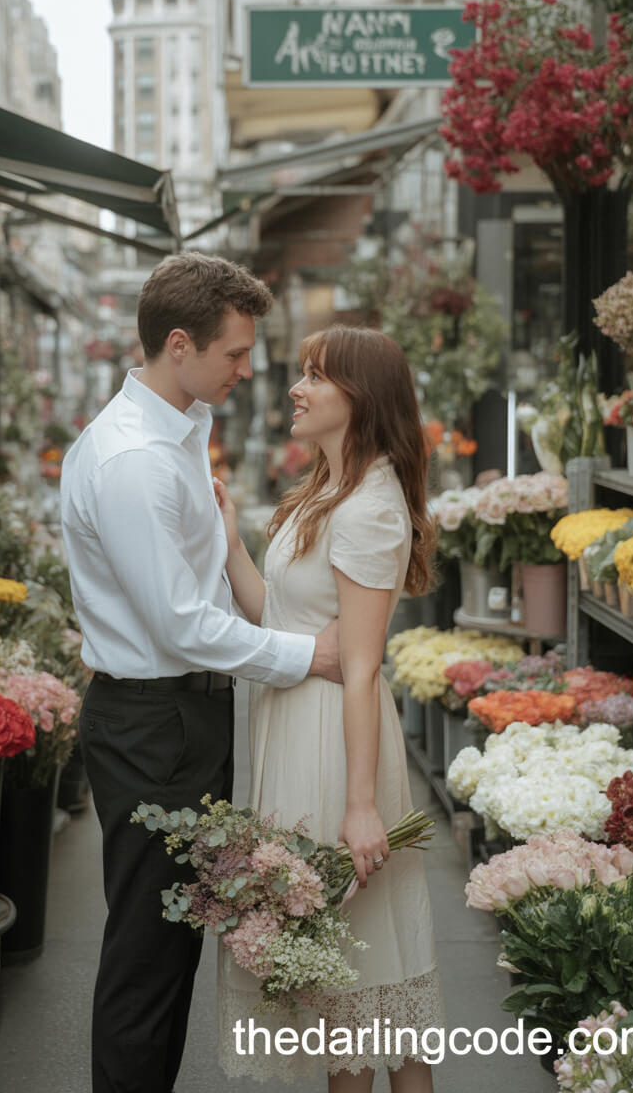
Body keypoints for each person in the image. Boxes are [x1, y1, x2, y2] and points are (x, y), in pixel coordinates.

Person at [59, 251, 341, 1093]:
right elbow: (178, 624)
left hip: (177, 722)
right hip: (155, 725)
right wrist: (305, 656)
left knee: (171, 943)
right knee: (150, 954)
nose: (249, 371)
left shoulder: (177, 433)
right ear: (178, 344)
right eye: (234, 353)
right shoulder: (135, 460)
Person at [216, 324, 445, 1091]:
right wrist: (231, 542)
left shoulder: (369, 506)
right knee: (345, 978)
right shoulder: (326, 490)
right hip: (297, 728)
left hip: (334, 744)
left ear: (360, 398)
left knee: (357, 973)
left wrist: (358, 806)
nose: (296, 386)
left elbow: (361, 663)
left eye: (316, 375)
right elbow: (278, 619)